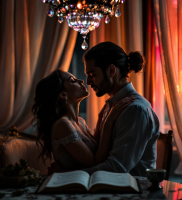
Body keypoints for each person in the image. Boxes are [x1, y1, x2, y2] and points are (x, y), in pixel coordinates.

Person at [47, 42, 160, 177]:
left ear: (111, 71)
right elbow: (98, 154)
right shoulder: (111, 107)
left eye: (92, 74)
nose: (87, 81)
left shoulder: (134, 110)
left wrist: (65, 175)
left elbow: (116, 168)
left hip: (133, 193)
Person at [32, 69, 134, 171]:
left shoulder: (80, 121)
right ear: (63, 95)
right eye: (72, 80)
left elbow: (97, 148)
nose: (81, 81)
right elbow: (94, 162)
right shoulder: (62, 125)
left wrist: (100, 118)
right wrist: (109, 121)